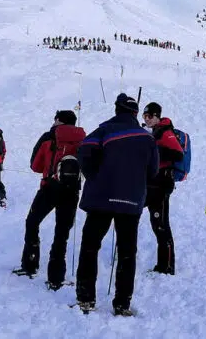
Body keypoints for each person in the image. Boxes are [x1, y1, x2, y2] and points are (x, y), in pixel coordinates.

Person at [74, 94, 158, 316]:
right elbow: (153, 171)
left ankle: (85, 299)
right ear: (135, 113)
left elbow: (83, 150)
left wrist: (93, 175)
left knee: (90, 247)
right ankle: (122, 303)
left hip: (100, 199)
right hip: (130, 202)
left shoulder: (103, 131)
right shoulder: (147, 138)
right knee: (127, 252)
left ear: (116, 110)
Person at [13, 110, 86, 290]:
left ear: (58, 121)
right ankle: (56, 278)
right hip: (72, 192)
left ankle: (30, 264)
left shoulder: (49, 137)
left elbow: (35, 166)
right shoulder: (83, 139)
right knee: (62, 234)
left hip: (49, 188)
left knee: (32, 222)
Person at [141, 102, 183, 275]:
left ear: (157, 116)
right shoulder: (154, 132)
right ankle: (163, 265)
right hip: (151, 184)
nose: (147, 119)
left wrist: (154, 151)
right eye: (144, 116)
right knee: (156, 223)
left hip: (162, 185)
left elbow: (177, 154)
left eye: (149, 116)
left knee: (161, 225)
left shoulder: (166, 132)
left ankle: (166, 267)